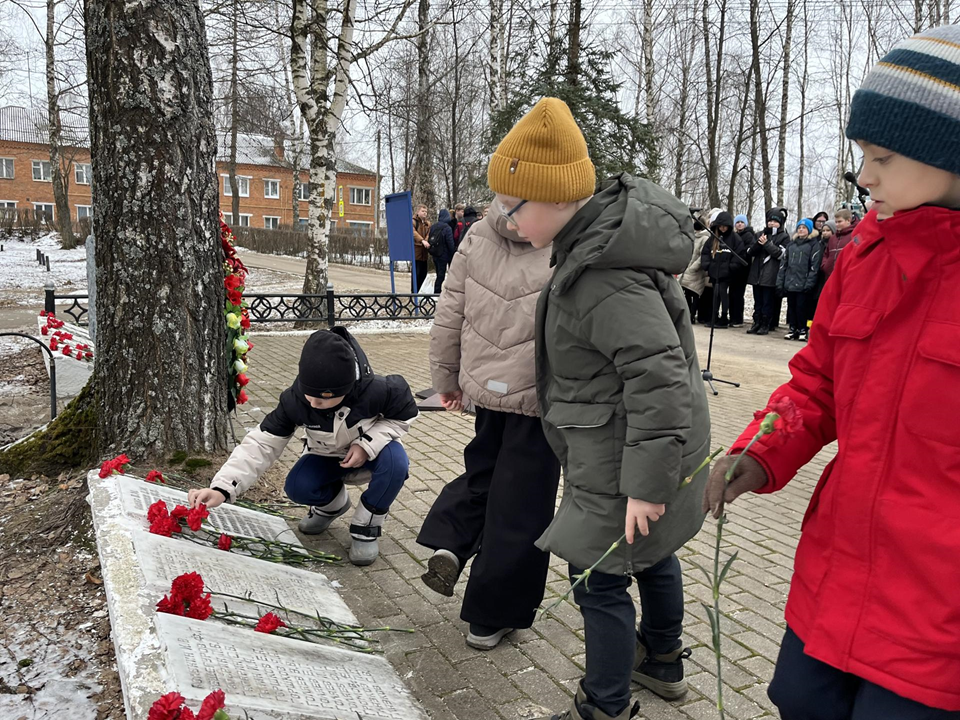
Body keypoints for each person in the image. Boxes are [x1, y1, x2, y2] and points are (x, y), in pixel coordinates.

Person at [704, 24, 960, 720]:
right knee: (798, 701)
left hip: (938, 625)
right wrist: (758, 452)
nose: (864, 176)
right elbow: (819, 381)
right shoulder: (867, 254)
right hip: (837, 579)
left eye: (881, 156)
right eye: (861, 157)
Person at [488, 97, 712, 720]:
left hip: (623, 458)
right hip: (625, 446)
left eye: (514, 205)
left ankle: (606, 706)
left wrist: (645, 485)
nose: (507, 220)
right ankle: (661, 661)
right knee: (653, 552)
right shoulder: (596, 248)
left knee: (597, 578)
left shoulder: (602, 273)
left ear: (556, 198)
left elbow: (658, 376)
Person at [417, 200, 561, 651]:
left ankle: (452, 540)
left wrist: (446, 380)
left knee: (483, 469)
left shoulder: (479, 232)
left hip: (486, 386)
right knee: (522, 504)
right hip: (539, 394)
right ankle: (490, 616)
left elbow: (449, 313)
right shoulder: (562, 233)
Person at [189, 328, 419, 566]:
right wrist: (222, 488)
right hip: (327, 455)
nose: (313, 403)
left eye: (323, 398)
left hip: (374, 454)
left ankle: (365, 528)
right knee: (297, 486)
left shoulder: (380, 390)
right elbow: (261, 443)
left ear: (347, 387)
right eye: (309, 394)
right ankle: (332, 507)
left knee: (397, 464)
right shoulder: (295, 400)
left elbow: (403, 417)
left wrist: (366, 445)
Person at [777, 218, 822, 342]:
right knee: (791, 307)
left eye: (804, 228)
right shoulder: (791, 245)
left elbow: (814, 266)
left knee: (802, 307)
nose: (801, 230)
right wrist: (780, 281)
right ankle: (793, 328)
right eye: (799, 228)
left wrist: (810, 282)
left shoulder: (814, 245)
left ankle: (803, 329)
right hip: (791, 281)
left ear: (809, 230)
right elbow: (783, 265)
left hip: (804, 282)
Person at [746, 208, 789, 335]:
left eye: (775, 222)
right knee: (757, 301)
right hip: (757, 273)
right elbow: (750, 252)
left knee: (767, 302)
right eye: (770, 221)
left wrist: (766, 244)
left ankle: (766, 324)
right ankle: (757, 322)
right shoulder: (760, 234)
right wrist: (759, 244)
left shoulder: (784, 237)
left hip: (770, 275)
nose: (771, 224)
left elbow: (780, 254)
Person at [700, 211, 746, 328]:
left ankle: (724, 317)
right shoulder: (713, 238)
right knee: (715, 295)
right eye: (720, 226)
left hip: (727, 274)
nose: (722, 229)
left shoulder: (735, 239)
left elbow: (739, 255)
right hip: (715, 272)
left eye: (725, 226)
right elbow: (705, 253)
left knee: (723, 294)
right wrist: (708, 266)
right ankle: (714, 316)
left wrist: (730, 268)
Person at [679, 211, 710, 323]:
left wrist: (693, 268)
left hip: (696, 271)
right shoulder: (692, 236)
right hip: (687, 269)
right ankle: (687, 315)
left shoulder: (705, 238)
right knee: (686, 293)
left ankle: (692, 315)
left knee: (695, 294)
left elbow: (702, 256)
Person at [820, 207, 858, 281]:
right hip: (830, 276)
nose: (837, 224)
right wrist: (825, 266)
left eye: (840, 222)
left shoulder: (854, 235)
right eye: (836, 222)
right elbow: (826, 254)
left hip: (847, 276)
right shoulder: (833, 238)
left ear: (848, 220)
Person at [730, 214, 754, 327]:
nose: (739, 224)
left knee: (738, 294)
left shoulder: (748, 235)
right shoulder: (734, 235)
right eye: (737, 222)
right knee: (732, 294)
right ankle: (732, 317)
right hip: (733, 269)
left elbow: (746, 252)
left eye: (742, 222)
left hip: (742, 269)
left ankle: (738, 318)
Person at [427, 209, 456, 294]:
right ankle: (438, 292)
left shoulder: (433, 227)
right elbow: (450, 243)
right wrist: (453, 253)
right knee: (442, 275)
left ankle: (437, 291)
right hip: (444, 255)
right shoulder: (447, 228)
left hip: (435, 254)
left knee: (439, 274)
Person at [412, 204, 431, 292]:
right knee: (416, 273)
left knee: (423, 273)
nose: (425, 213)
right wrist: (422, 240)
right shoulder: (413, 221)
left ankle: (418, 291)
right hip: (416, 251)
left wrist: (426, 240)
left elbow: (429, 233)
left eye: (426, 211)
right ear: (418, 212)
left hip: (424, 252)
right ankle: (414, 292)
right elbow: (413, 232)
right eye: (422, 211)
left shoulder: (427, 223)